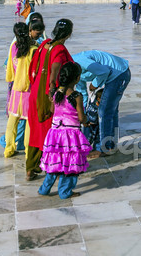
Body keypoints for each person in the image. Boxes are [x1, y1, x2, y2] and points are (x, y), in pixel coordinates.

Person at [26, 18, 74, 179]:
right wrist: (53, 96)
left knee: (36, 132)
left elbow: (33, 67)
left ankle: (31, 168)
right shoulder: (59, 49)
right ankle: (53, 168)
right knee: (50, 133)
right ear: (69, 33)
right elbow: (54, 73)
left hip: (35, 94)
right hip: (47, 96)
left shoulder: (44, 44)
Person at [38, 62, 91, 199]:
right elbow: (80, 117)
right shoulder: (76, 96)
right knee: (71, 163)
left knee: (54, 162)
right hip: (70, 135)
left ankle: (44, 189)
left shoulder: (55, 93)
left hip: (55, 133)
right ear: (77, 79)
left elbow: (52, 110)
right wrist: (86, 121)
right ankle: (65, 191)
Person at [70, 49, 130, 154]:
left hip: (119, 73)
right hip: (116, 75)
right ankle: (111, 144)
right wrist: (83, 113)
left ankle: (104, 148)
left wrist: (95, 84)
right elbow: (82, 94)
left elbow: (104, 71)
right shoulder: (74, 72)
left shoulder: (80, 61)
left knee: (104, 111)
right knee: (111, 111)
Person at [4, 22, 38, 157]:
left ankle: (9, 149)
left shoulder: (13, 47)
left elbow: (10, 68)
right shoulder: (34, 48)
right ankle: (28, 151)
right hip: (30, 90)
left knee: (12, 121)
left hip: (16, 89)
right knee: (30, 122)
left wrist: (12, 79)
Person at [84, 86, 103, 151]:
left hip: (97, 124)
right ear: (98, 98)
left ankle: (97, 149)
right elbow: (91, 91)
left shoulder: (102, 106)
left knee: (98, 138)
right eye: (102, 98)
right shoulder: (92, 100)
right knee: (87, 138)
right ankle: (85, 149)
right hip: (89, 124)